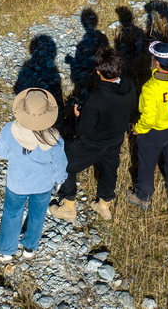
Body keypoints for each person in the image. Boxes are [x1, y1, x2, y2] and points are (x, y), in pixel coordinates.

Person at [48, 46, 135, 223]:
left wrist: (79, 115)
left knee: (64, 163)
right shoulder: (129, 85)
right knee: (110, 170)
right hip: (115, 139)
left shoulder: (96, 98)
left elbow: (85, 130)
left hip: (91, 144)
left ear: (97, 71)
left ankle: (68, 206)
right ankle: (103, 204)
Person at [0, 88, 68, 261]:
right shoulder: (54, 137)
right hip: (43, 185)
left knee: (12, 214)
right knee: (37, 215)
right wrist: (59, 180)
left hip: (17, 183)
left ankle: (6, 251)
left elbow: (1, 153)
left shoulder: (9, 130)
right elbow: (60, 164)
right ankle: (29, 248)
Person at [127, 42, 168, 208]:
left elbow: (148, 117)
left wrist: (138, 129)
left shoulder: (151, 87)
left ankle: (143, 196)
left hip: (154, 132)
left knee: (147, 163)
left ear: (156, 62)